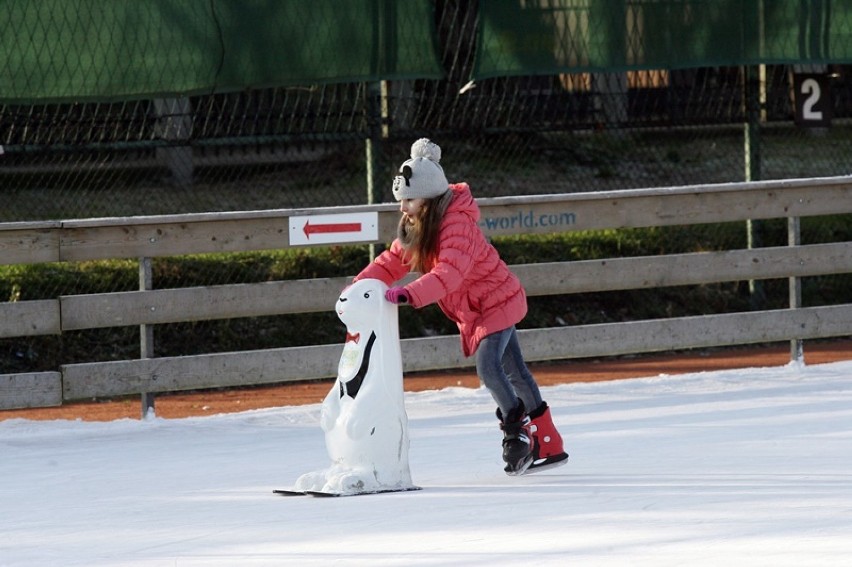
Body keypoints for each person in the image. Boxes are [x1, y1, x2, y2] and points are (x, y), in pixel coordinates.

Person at [353, 138, 568, 475]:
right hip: (479, 307)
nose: (403, 208)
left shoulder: (457, 224)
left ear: (429, 198)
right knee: (515, 371)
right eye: (401, 200)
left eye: (409, 199)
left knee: (489, 368)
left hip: (495, 301)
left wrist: (410, 293)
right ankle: (550, 443)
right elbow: (393, 260)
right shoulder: (419, 223)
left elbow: (449, 273)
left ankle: (517, 427)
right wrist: (360, 287)